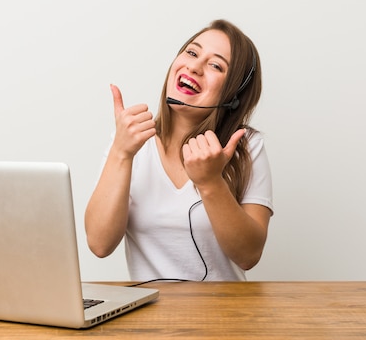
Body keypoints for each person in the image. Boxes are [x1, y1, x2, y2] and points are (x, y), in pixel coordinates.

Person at [85, 19, 273, 282]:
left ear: (234, 95)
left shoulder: (245, 146)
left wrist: (211, 183)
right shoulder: (131, 140)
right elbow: (99, 244)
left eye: (215, 65)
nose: (194, 66)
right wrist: (121, 152)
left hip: (227, 318)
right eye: (192, 53)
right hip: (147, 317)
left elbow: (249, 255)